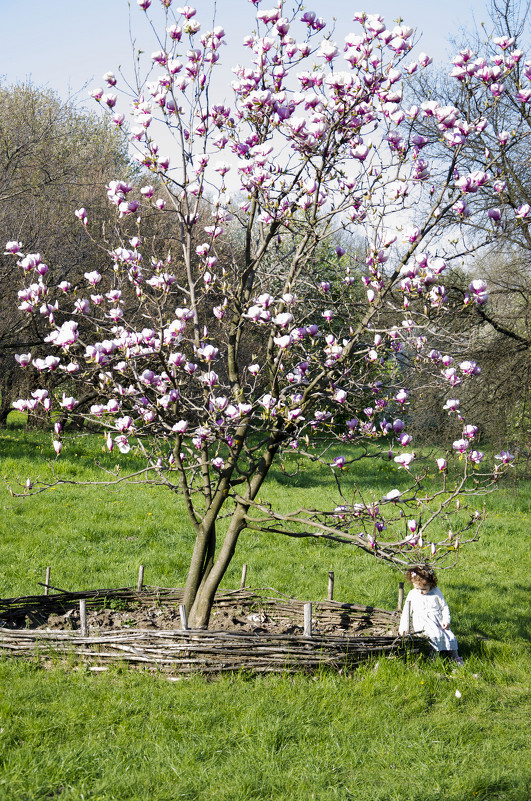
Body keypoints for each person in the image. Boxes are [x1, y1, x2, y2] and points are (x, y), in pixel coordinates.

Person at [398, 564, 464, 665]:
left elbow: (444, 607)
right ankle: (433, 658)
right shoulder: (412, 594)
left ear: (431, 584)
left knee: (450, 637)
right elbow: (406, 612)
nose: (420, 592)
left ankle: (454, 656)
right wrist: (404, 628)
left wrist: (446, 620)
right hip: (423, 624)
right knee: (432, 637)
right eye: (417, 589)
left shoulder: (436, 592)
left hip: (438, 621)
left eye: (423, 589)